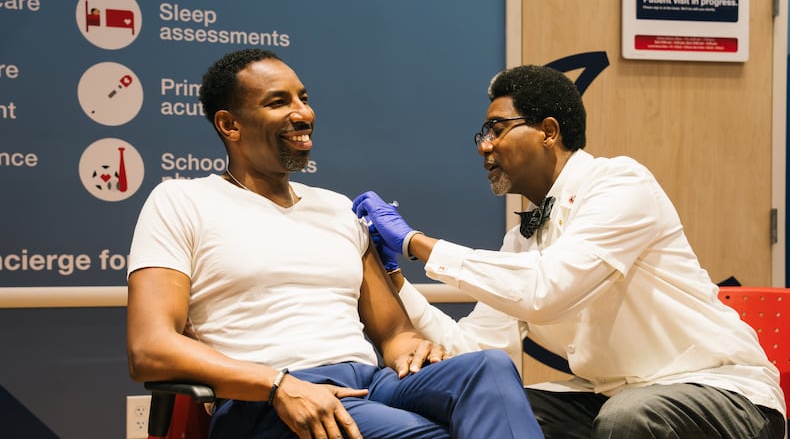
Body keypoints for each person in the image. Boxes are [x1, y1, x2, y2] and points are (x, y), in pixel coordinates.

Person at [125, 48, 543, 439]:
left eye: (303, 98)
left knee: (487, 367)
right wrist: (277, 385)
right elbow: (150, 348)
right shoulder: (182, 201)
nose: (303, 113)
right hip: (268, 401)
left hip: (370, 383)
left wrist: (414, 349)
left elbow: (394, 331)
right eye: (278, 103)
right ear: (229, 125)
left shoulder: (337, 208)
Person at [353, 64, 787, 438]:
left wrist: (417, 243)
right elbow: (473, 347)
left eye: (497, 129)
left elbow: (546, 291)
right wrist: (394, 279)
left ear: (548, 131)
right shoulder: (520, 240)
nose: (485, 146)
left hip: (726, 394)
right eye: (483, 134)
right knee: (494, 408)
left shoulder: (620, 183)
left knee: (629, 419)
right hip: (615, 395)